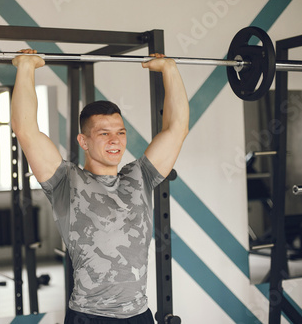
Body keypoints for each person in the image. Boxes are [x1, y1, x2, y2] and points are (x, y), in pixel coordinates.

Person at [11, 49, 189, 323]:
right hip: (89, 316)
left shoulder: (140, 175)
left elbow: (177, 129)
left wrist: (170, 69)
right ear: (84, 141)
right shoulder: (65, 181)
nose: (115, 141)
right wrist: (26, 67)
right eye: (104, 134)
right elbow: (26, 130)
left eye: (120, 133)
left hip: (139, 315)